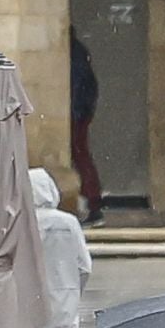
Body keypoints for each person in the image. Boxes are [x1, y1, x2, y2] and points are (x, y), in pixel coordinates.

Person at [12, 168, 93, 328]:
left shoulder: (18, 224)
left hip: (27, 304)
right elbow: (84, 266)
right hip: (63, 306)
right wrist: (71, 291)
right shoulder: (68, 223)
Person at [69, 30, 103, 227]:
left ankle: (92, 202)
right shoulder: (79, 53)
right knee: (80, 154)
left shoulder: (75, 55)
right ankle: (91, 201)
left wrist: (75, 112)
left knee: (80, 154)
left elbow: (78, 86)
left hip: (78, 112)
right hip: (81, 111)